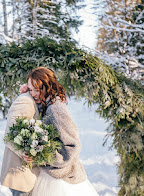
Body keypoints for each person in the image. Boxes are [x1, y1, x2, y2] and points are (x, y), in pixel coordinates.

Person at [24, 66, 99, 196]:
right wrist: (24, 92)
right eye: (31, 89)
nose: (32, 94)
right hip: (50, 174)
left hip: (61, 180)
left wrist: (39, 156)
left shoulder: (56, 109)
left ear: (47, 87)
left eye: (36, 90)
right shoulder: (45, 105)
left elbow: (72, 147)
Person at [0, 91, 40, 196]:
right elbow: (11, 133)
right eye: (33, 88)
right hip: (21, 175)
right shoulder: (26, 101)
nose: (35, 92)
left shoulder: (33, 100)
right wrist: (27, 152)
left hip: (26, 175)